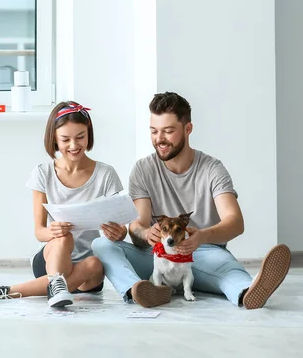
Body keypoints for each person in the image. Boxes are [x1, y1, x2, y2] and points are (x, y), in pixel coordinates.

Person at [91, 92, 292, 309]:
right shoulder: (143, 169)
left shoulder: (212, 169)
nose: (159, 139)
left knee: (228, 270)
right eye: (154, 131)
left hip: (203, 253)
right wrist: (147, 233)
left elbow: (235, 222)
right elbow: (138, 226)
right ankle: (139, 291)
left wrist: (202, 237)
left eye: (168, 131)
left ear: (188, 129)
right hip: (158, 256)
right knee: (101, 244)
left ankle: (247, 292)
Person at [0, 101, 126, 307]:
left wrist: (119, 233)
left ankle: (8, 291)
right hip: (51, 259)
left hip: (87, 273)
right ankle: (56, 285)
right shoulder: (43, 173)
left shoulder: (106, 174)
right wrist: (54, 231)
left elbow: (120, 227)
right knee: (64, 238)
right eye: (65, 139)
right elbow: (39, 232)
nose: (74, 146)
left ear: (89, 135)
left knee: (95, 263)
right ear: (55, 140)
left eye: (80, 137)